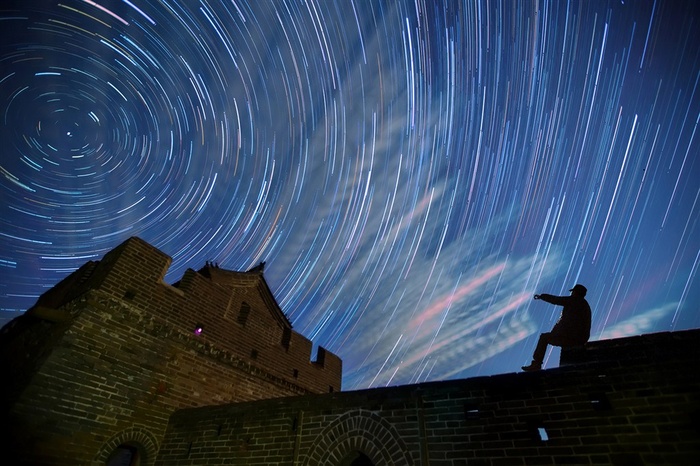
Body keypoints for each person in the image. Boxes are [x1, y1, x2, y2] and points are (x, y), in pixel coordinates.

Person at [521, 284, 591, 372]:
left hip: (571, 338)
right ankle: (536, 364)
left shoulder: (573, 301)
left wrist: (542, 296)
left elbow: (556, 300)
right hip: (580, 338)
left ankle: (536, 364)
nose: (571, 293)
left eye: (573, 292)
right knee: (548, 336)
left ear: (575, 292)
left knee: (544, 338)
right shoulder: (585, 305)